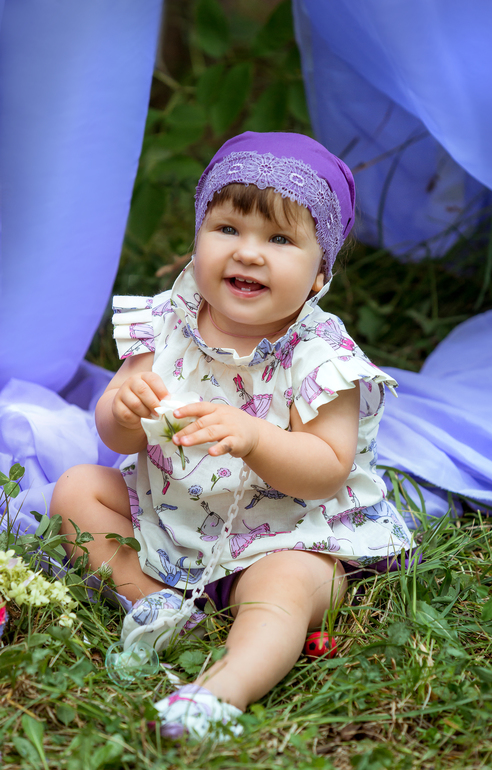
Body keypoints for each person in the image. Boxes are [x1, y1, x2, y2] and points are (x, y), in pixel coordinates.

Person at [50, 131, 415, 741]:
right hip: (175, 514)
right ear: (197, 239)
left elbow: (326, 467)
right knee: (76, 490)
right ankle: (156, 602)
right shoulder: (167, 321)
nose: (248, 253)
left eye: (279, 240)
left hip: (290, 535)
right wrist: (125, 410)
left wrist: (255, 437)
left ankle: (220, 692)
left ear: (320, 272)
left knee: (286, 588)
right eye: (227, 229)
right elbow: (118, 434)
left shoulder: (320, 356)